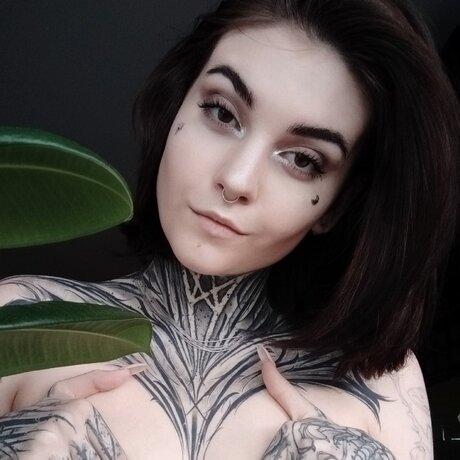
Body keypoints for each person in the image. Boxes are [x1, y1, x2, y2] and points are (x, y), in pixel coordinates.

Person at [0, 0, 458, 458]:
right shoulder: (20, 319)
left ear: (336, 206)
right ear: (176, 104)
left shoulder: (385, 385)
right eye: (222, 113)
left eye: (302, 160)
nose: (236, 180)